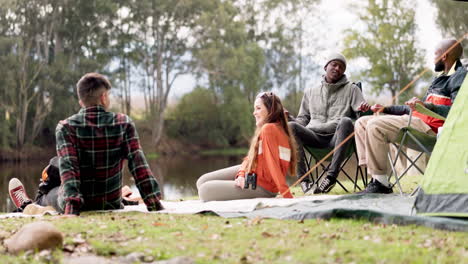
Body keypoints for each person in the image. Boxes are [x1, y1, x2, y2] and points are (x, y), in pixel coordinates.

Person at [9, 73, 163, 215]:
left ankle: (27, 204)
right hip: (111, 203)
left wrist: (72, 209)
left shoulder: (66, 127)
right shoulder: (124, 123)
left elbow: (70, 173)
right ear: (103, 97)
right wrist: (154, 203)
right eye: (108, 95)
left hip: (78, 204)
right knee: (56, 163)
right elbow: (139, 167)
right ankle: (32, 201)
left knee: (50, 185)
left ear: (81, 101)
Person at [356, 38, 467, 194]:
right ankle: (377, 178)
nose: (433, 58)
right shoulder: (440, 78)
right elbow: (414, 110)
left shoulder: (460, 77)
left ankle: (380, 184)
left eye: (435, 53)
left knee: (375, 125)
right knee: (361, 122)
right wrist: (386, 108)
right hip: (415, 122)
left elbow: (458, 112)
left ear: (444, 56)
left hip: (431, 131)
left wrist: (427, 106)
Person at [288, 52, 370, 194]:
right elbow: (303, 119)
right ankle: (304, 181)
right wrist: (290, 118)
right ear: (326, 66)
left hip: (338, 139)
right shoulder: (310, 92)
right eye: (334, 64)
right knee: (290, 126)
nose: (337, 68)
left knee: (346, 121)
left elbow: (363, 119)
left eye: (341, 67)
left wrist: (365, 111)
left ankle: (331, 177)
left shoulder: (352, 89)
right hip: (313, 137)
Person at [197, 92, 297, 201]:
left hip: (263, 188)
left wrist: (286, 194)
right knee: (202, 181)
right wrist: (241, 174)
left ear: (271, 110)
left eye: (258, 108)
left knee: (204, 190)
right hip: (252, 173)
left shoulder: (269, 129)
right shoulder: (268, 128)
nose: (254, 113)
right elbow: (250, 158)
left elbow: (273, 164)